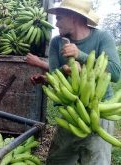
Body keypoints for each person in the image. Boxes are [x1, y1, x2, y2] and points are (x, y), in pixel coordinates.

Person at [37, 0, 121, 164]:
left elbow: (116, 73)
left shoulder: (102, 37)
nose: (57, 23)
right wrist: (66, 70)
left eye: (60, 18)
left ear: (74, 17)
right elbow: (54, 75)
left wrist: (82, 57)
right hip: (72, 110)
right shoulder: (56, 43)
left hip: (99, 110)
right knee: (56, 160)